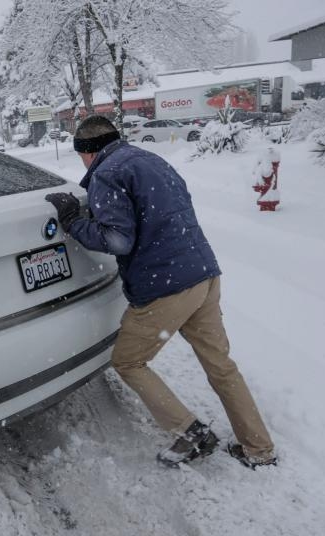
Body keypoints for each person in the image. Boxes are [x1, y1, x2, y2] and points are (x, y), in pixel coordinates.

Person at [44, 115, 277, 469]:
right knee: (220, 365)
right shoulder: (150, 159)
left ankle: (190, 433)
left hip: (166, 286)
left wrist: (73, 222)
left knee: (128, 361)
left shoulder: (108, 173)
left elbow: (118, 240)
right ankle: (259, 449)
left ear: (88, 152)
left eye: (81, 156)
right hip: (204, 274)